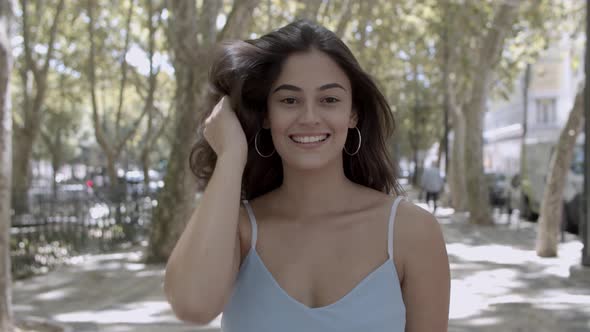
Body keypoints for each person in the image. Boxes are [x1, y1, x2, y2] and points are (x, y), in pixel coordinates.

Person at [164, 20, 449, 332]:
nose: (310, 117)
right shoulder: (239, 229)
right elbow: (192, 307)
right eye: (289, 100)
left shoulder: (412, 232)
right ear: (266, 115)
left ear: (352, 113)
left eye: (329, 99)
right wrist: (232, 155)